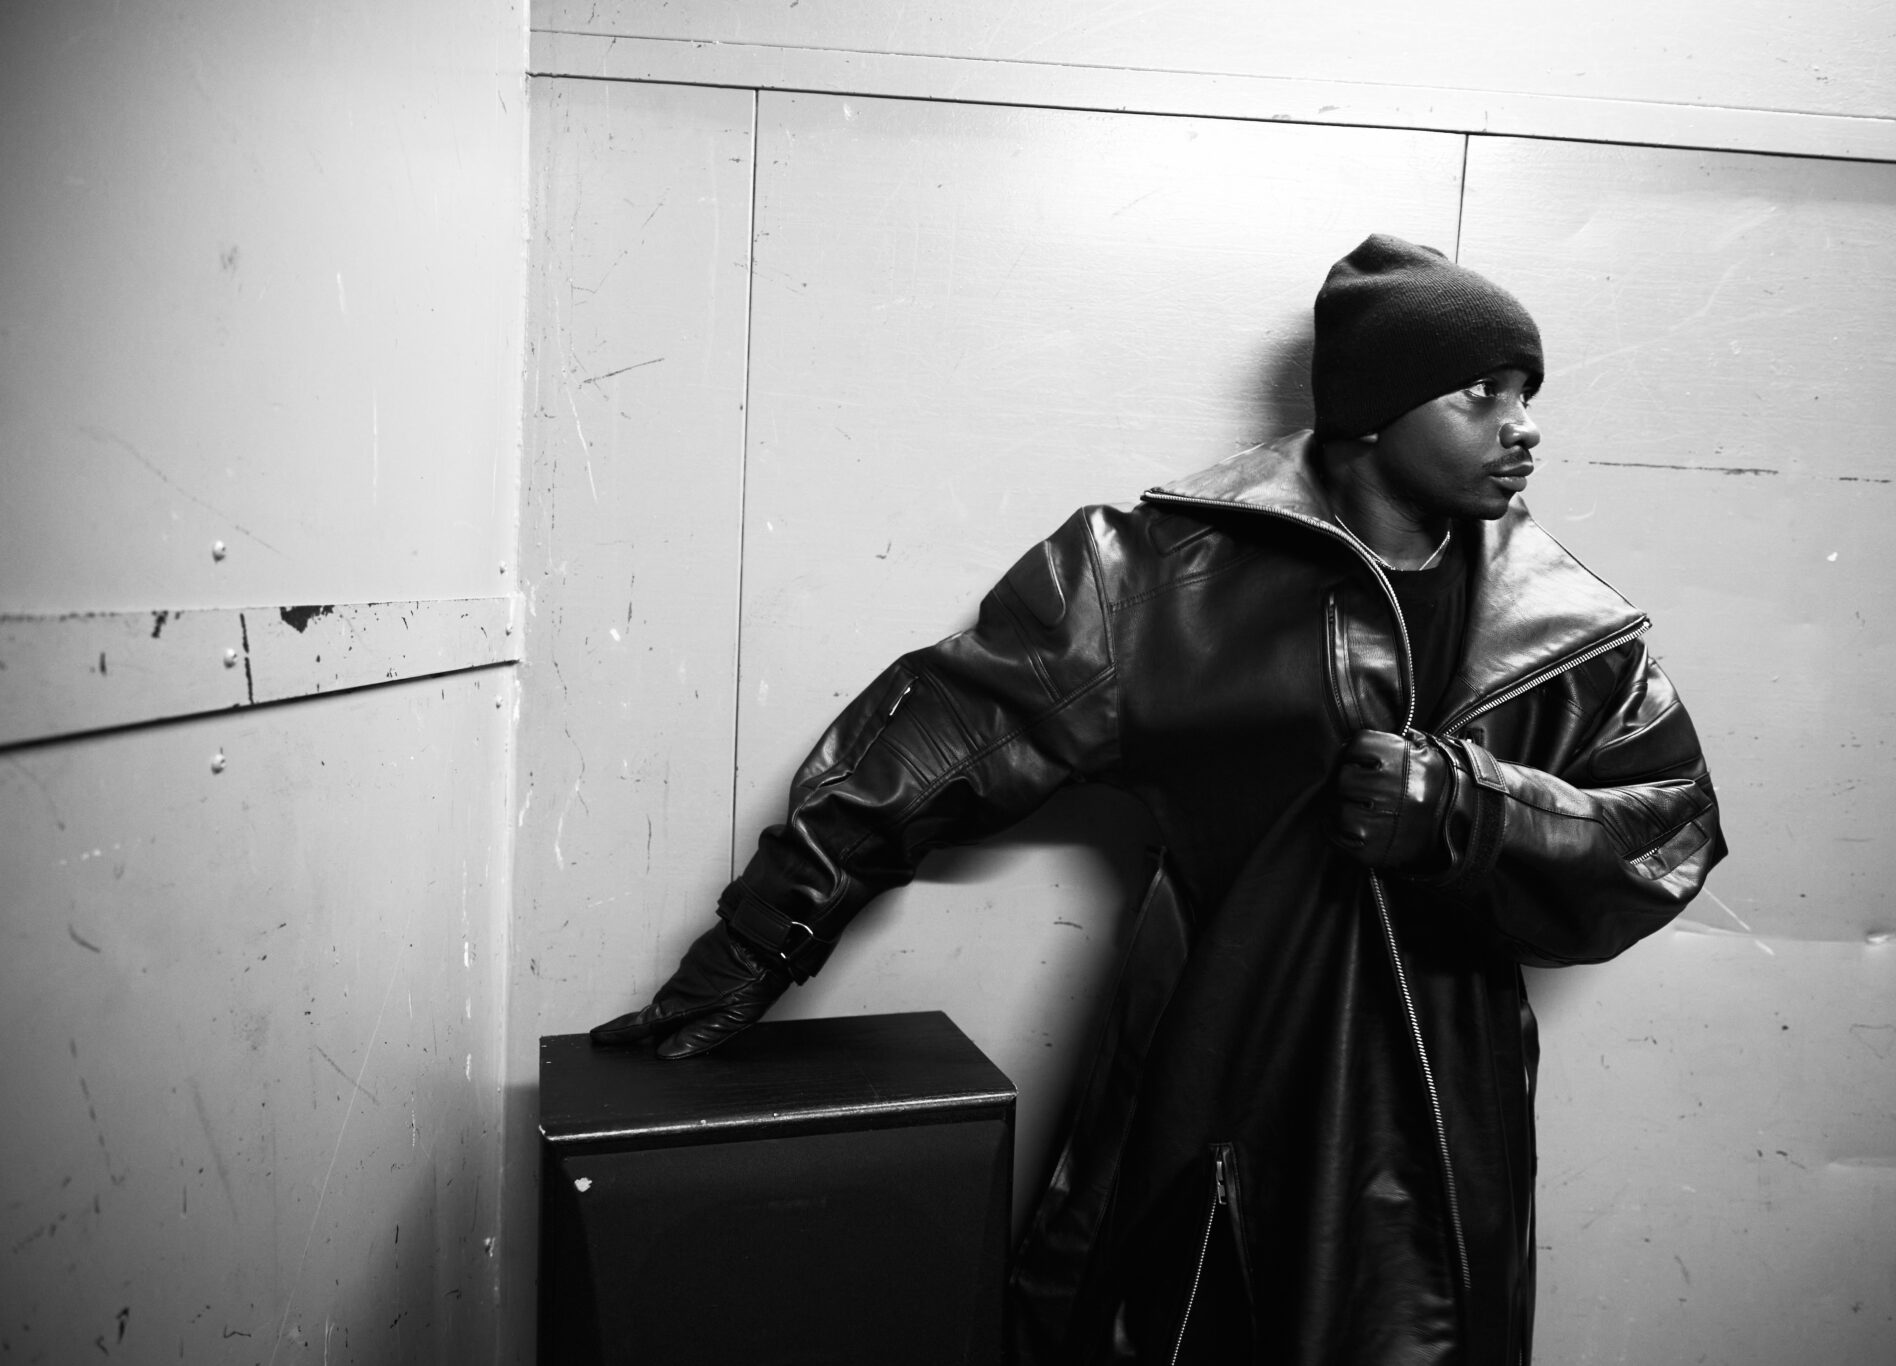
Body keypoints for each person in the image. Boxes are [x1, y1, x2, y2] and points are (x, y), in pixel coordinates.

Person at [593, 234, 1728, 1364]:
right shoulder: (1161, 579)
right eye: (1480, 392)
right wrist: (756, 944)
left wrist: (1465, 811)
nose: (1521, 425)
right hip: (1223, 1100)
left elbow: (1668, 831)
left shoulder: (1567, 632)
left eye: (1527, 394)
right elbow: (939, 743)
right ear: (1374, 412)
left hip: (1446, 1132)